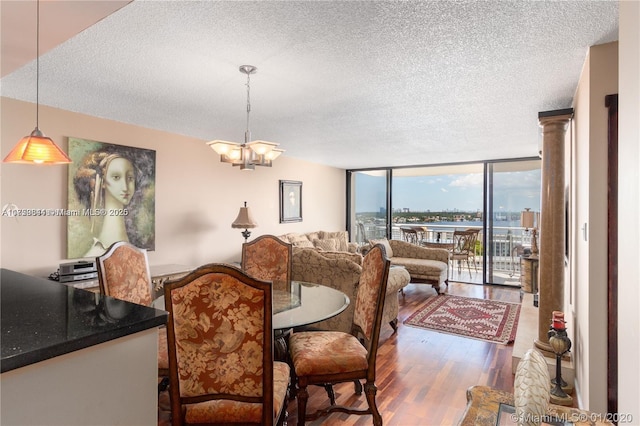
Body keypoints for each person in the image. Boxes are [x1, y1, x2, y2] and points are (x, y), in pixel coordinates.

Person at [74, 151, 137, 257]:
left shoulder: (134, 252)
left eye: (130, 178)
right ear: (102, 182)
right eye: (116, 177)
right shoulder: (95, 254)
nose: (125, 187)